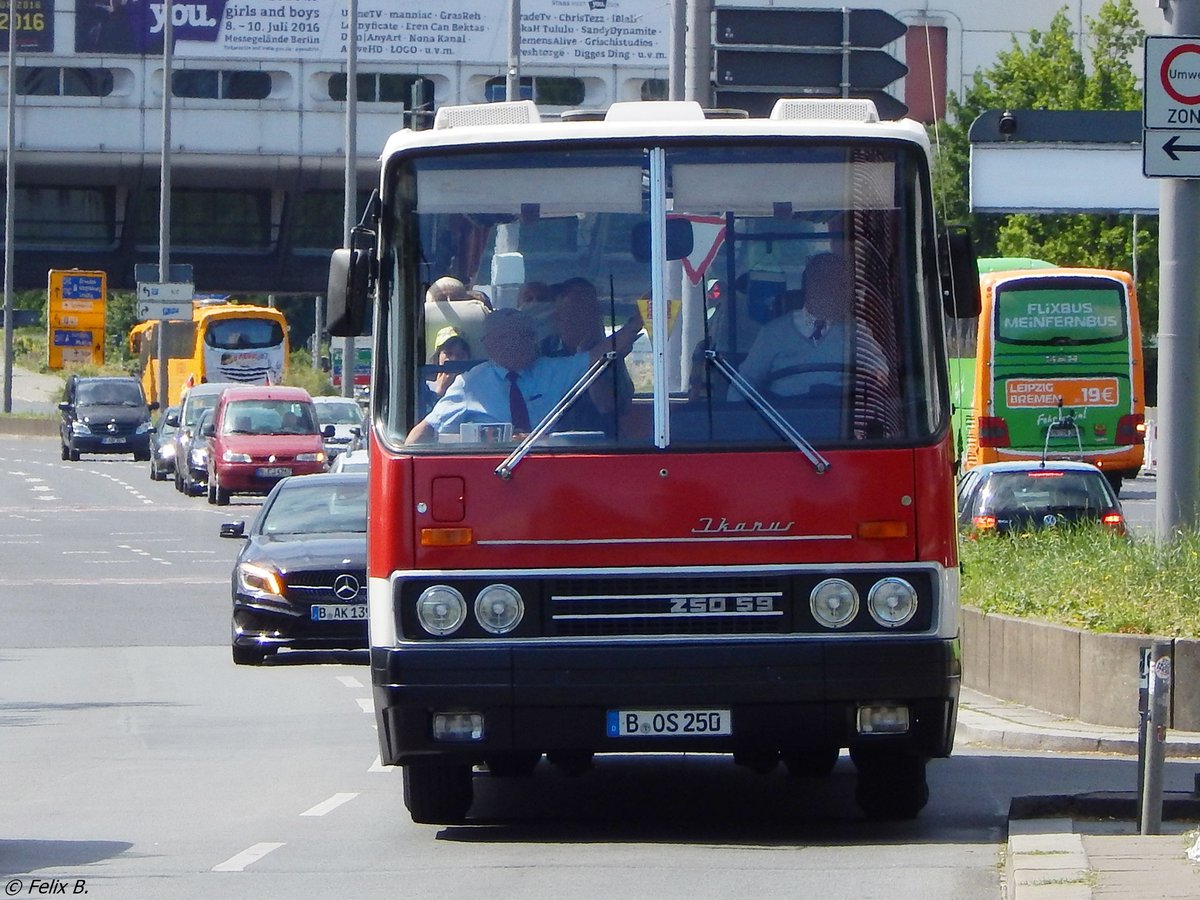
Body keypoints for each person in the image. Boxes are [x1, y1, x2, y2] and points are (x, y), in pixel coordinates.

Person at [405, 306, 641, 444]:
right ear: (490, 344)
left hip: (546, 468)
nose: (522, 343)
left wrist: (637, 322)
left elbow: (599, 354)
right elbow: (428, 427)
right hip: (491, 474)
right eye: (510, 338)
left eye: (526, 335)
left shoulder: (552, 370)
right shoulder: (470, 383)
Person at [730, 252, 886, 400]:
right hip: (783, 421)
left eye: (842, 285)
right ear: (809, 288)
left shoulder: (855, 330)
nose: (835, 291)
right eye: (825, 283)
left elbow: (878, 371)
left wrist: (875, 376)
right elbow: (745, 383)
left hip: (840, 416)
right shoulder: (773, 332)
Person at [426, 328, 473, 401]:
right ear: (438, 356)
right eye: (448, 353)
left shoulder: (474, 388)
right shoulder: (425, 387)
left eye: (460, 355)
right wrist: (440, 390)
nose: (454, 359)